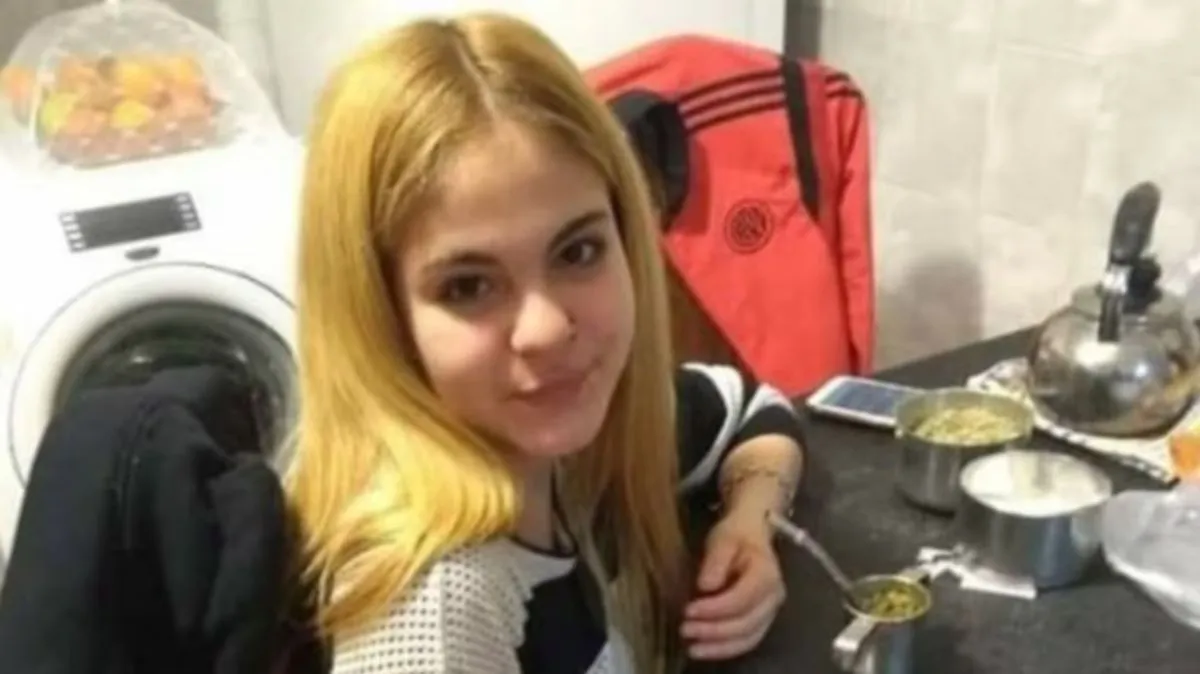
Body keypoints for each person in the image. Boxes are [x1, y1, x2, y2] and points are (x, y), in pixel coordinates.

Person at [285, 12, 806, 674]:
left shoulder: (562, 440)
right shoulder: (437, 613)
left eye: (577, 251)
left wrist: (751, 523)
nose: (547, 330)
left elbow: (755, 410)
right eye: (468, 287)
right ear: (379, 314)